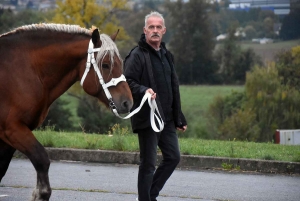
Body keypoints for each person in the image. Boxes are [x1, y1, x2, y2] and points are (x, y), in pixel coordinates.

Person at [124, 11, 187, 201]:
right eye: (151, 27)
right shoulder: (136, 55)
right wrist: (144, 90)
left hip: (166, 119)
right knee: (148, 164)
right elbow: (127, 81)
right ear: (145, 30)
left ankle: (149, 196)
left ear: (164, 30)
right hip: (147, 117)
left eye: (159, 27)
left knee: (173, 157)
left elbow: (172, 87)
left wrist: (178, 117)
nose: (155, 30)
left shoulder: (167, 56)